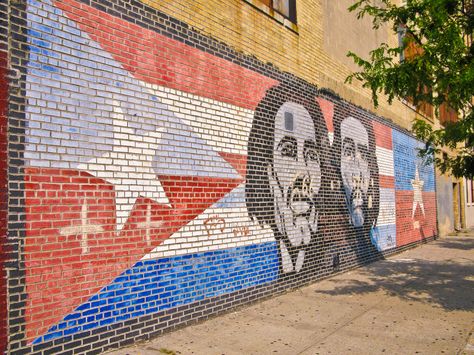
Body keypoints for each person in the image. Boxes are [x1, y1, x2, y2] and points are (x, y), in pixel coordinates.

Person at [246, 83, 328, 275]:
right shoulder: (262, 265)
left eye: (311, 155)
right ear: (267, 170)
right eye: (287, 151)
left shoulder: (326, 253)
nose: (303, 174)